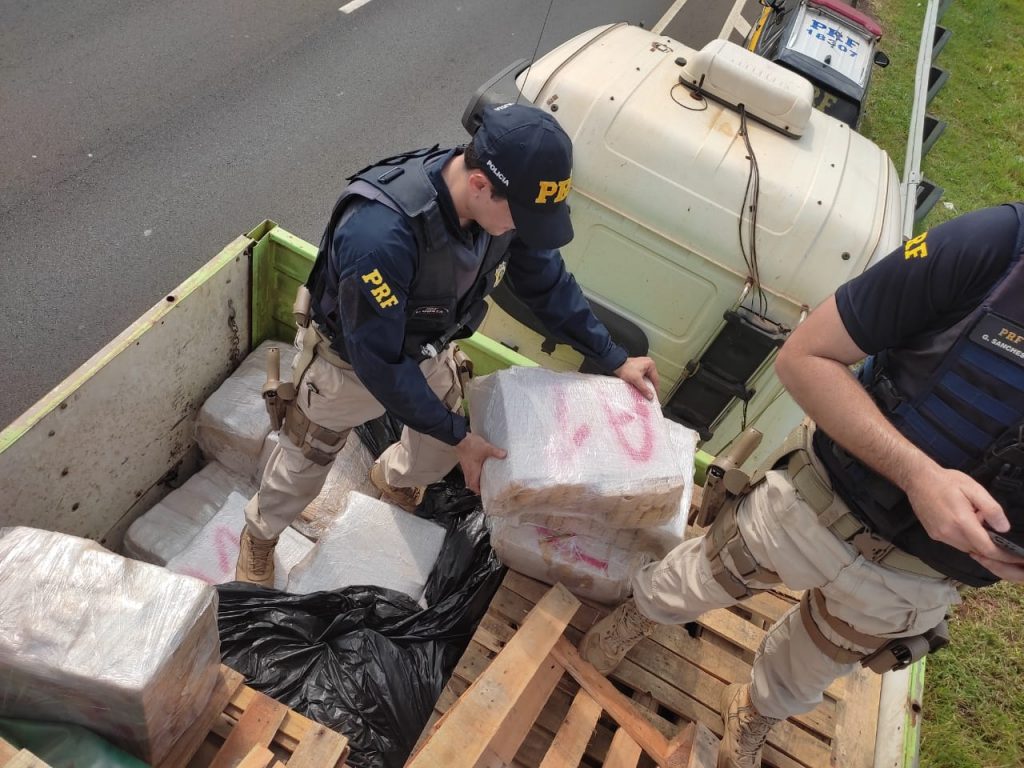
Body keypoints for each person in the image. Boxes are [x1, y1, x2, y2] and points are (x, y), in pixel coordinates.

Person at [579, 202, 1024, 768]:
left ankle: (756, 711)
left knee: (815, 664)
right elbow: (806, 356)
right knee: (701, 576)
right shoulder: (995, 248)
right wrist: (918, 476)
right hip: (821, 503)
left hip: (917, 581)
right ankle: (641, 614)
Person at [235, 102, 659, 586]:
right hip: (350, 364)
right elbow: (380, 363)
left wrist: (613, 357)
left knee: (435, 454)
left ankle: (391, 479)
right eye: (521, 219)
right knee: (304, 461)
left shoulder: (506, 207)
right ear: (479, 184)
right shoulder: (380, 235)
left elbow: (547, 284)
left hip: (426, 349)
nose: (524, 231)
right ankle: (260, 535)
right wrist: (459, 434)